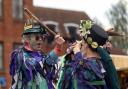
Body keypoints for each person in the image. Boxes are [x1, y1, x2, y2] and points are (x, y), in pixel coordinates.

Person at [56, 20, 120, 89]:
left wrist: (77, 54)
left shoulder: (86, 67)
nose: (79, 43)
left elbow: (82, 71)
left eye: (82, 41)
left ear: (85, 44)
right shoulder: (103, 64)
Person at [9, 19, 65, 89]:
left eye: (42, 37)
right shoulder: (19, 55)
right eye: (37, 37)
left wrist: (58, 47)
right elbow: (37, 65)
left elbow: (48, 64)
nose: (40, 40)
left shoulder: (40, 56)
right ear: (27, 39)